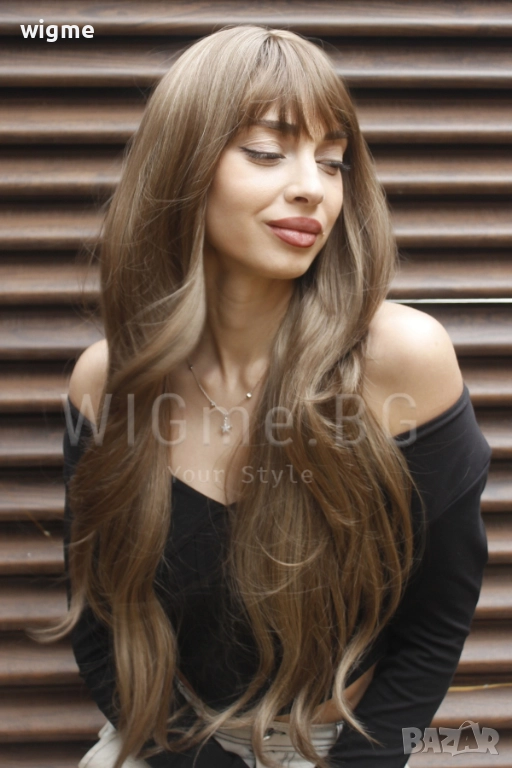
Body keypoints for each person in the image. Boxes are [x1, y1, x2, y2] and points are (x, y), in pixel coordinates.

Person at [36, 24, 491, 768]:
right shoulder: (109, 381)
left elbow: (436, 624)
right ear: (183, 166)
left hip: (343, 747)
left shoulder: (402, 359)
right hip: (169, 744)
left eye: (333, 161)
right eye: (266, 152)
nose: (313, 186)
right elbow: (100, 621)